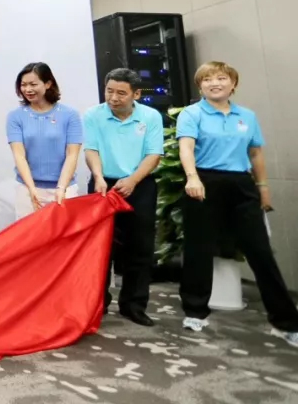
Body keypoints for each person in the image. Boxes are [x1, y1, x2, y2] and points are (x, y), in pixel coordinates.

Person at [176, 61, 298, 344]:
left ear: (233, 84)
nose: (215, 83)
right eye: (207, 80)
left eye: (221, 78)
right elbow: (186, 147)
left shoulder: (247, 116)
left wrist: (263, 188)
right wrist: (192, 177)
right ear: (200, 86)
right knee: (199, 249)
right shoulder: (192, 114)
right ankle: (195, 311)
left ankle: (285, 322)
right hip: (204, 182)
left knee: (260, 251)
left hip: (242, 184)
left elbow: (255, 154)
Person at [83, 68, 163, 327]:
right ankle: (98, 303)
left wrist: (133, 180)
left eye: (121, 93)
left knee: (140, 247)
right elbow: (91, 149)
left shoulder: (150, 116)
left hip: (139, 184)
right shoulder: (93, 115)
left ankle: (134, 305)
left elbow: (153, 154)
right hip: (103, 185)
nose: (113, 98)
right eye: (109, 91)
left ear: (136, 94)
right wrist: (98, 177)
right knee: (100, 247)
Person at [6, 62, 83, 218]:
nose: (27, 89)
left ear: (48, 84)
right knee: (29, 232)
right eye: (23, 85)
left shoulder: (70, 115)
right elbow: (19, 155)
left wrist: (61, 188)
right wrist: (31, 188)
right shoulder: (15, 116)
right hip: (27, 189)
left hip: (64, 188)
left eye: (33, 84)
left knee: (64, 232)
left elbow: (72, 154)